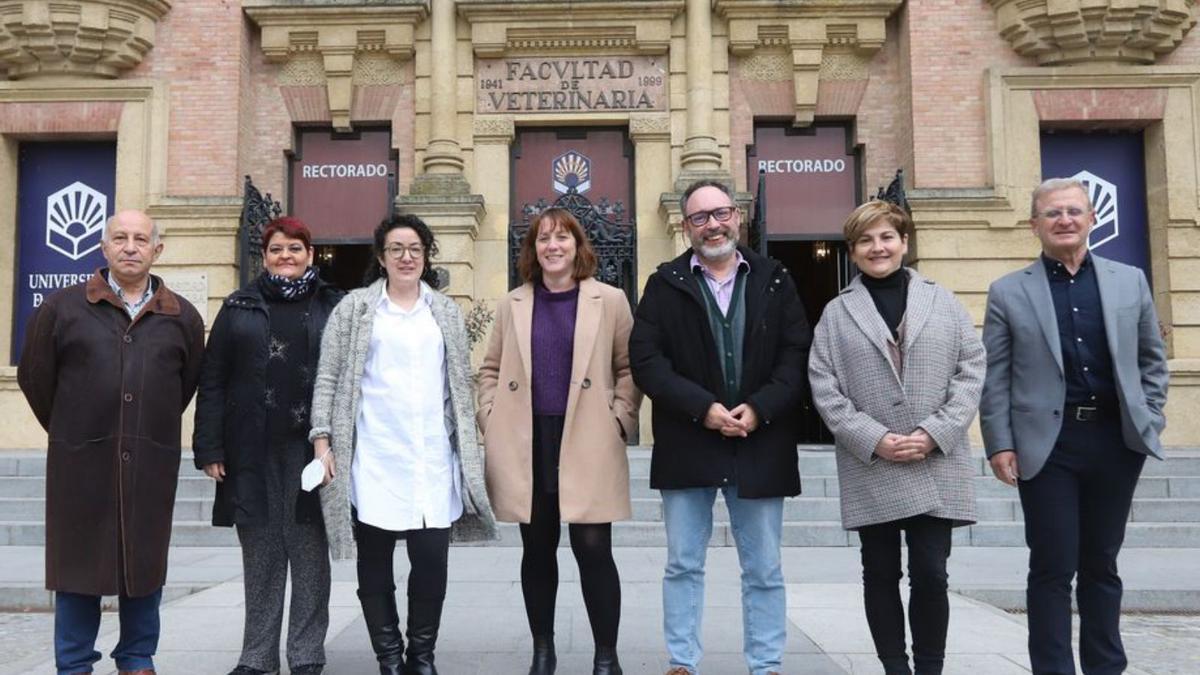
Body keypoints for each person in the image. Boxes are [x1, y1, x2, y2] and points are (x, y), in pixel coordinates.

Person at [980, 177, 1168, 675]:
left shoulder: (1131, 281)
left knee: (1102, 564)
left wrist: (1150, 415)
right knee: (1052, 566)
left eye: (1073, 211)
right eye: (1052, 214)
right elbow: (995, 376)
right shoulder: (1007, 292)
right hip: (1048, 446)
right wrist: (999, 441)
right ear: (1034, 225)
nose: (1064, 220)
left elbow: (1152, 359)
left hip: (1115, 441)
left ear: (1090, 218)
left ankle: (1106, 667)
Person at [629, 180, 811, 675]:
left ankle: (766, 665)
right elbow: (646, 361)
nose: (713, 224)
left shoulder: (775, 278)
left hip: (761, 441)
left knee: (765, 569)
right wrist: (703, 408)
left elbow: (796, 355)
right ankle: (682, 662)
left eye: (720, 213)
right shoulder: (663, 283)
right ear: (685, 227)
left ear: (738, 215)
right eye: (700, 218)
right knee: (683, 564)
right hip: (689, 442)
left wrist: (759, 408)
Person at [18, 209, 205, 675]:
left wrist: (140, 424)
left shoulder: (181, 315)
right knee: (79, 567)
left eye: (141, 239)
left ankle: (137, 659)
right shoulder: (62, 308)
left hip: (149, 463)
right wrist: (74, 428)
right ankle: (75, 663)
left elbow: (185, 386)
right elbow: (35, 378)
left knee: (143, 568)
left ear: (156, 250)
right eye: (119, 237)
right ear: (102, 247)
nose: (130, 246)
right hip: (81, 463)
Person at [309, 213, 498, 675]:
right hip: (374, 456)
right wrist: (322, 441)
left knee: (431, 562)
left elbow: (457, 381)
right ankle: (389, 658)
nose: (406, 257)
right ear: (381, 257)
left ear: (426, 256)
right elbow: (329, 377)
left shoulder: (446, 311)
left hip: (432, 457)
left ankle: (422, 656)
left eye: (415, 248)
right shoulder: (354, 309)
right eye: (396, 249)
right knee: (373, 564)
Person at [808, 200, 985, 675]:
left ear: (904, 242)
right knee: (880, 574)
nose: (877, 247)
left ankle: (929, 668)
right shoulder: (837, 313)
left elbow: (972, 370)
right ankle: (894, 668)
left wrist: (935, 432)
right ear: (853, 251)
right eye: (865, 240)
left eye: (886, 237)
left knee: (932, 574)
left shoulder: (942, 300)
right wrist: (874, 437)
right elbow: (824, 386)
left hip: (935, 460)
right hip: (874, 462)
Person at [478, 207, 642, 675]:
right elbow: (489, 370)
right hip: (528, 440)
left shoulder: (609, 300)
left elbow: (628, 368)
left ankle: (606, 657)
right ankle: (543, 651)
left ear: (577, 246)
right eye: (543, 239)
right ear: (532, 250)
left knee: (594, 549)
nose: (552, 246)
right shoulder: (513, 304)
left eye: (562, 238)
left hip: (588, 437)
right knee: (537, 548)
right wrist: (489, 418)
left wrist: (620, 420)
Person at [192, 216, 345, 675]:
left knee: (310, 555)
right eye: (277, 249)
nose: (286, 256)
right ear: (265, 255)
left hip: (313, 450)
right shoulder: (239, 305)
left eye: (295, 248)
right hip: (249, 450)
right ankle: (257, 656)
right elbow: (213, 378)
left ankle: (306, 654)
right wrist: (210, 447)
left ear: (310, 254)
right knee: (260, 553)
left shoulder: (333, 304)